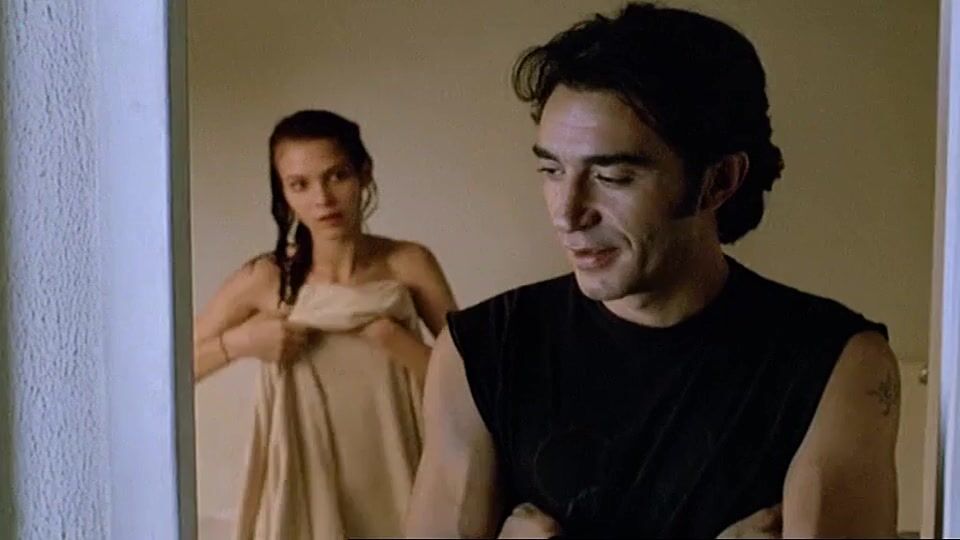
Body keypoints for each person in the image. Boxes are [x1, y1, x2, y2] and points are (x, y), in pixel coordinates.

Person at [406, 3, 899, 538]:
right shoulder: (483, 350)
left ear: (719, 181)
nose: (568, 213)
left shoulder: (837, 363)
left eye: (613, 177)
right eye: (552, 169)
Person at [193, 110, 457, 539]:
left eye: (337, 176)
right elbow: (169, 374)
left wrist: (394, 340)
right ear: (283, 192)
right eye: (300, 184)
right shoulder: (267, 278)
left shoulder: (409, 263)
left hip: (400, 473)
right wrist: (241, 342)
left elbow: (472, 384)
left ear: (364, 173)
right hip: (306, 480)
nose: (323, 198)